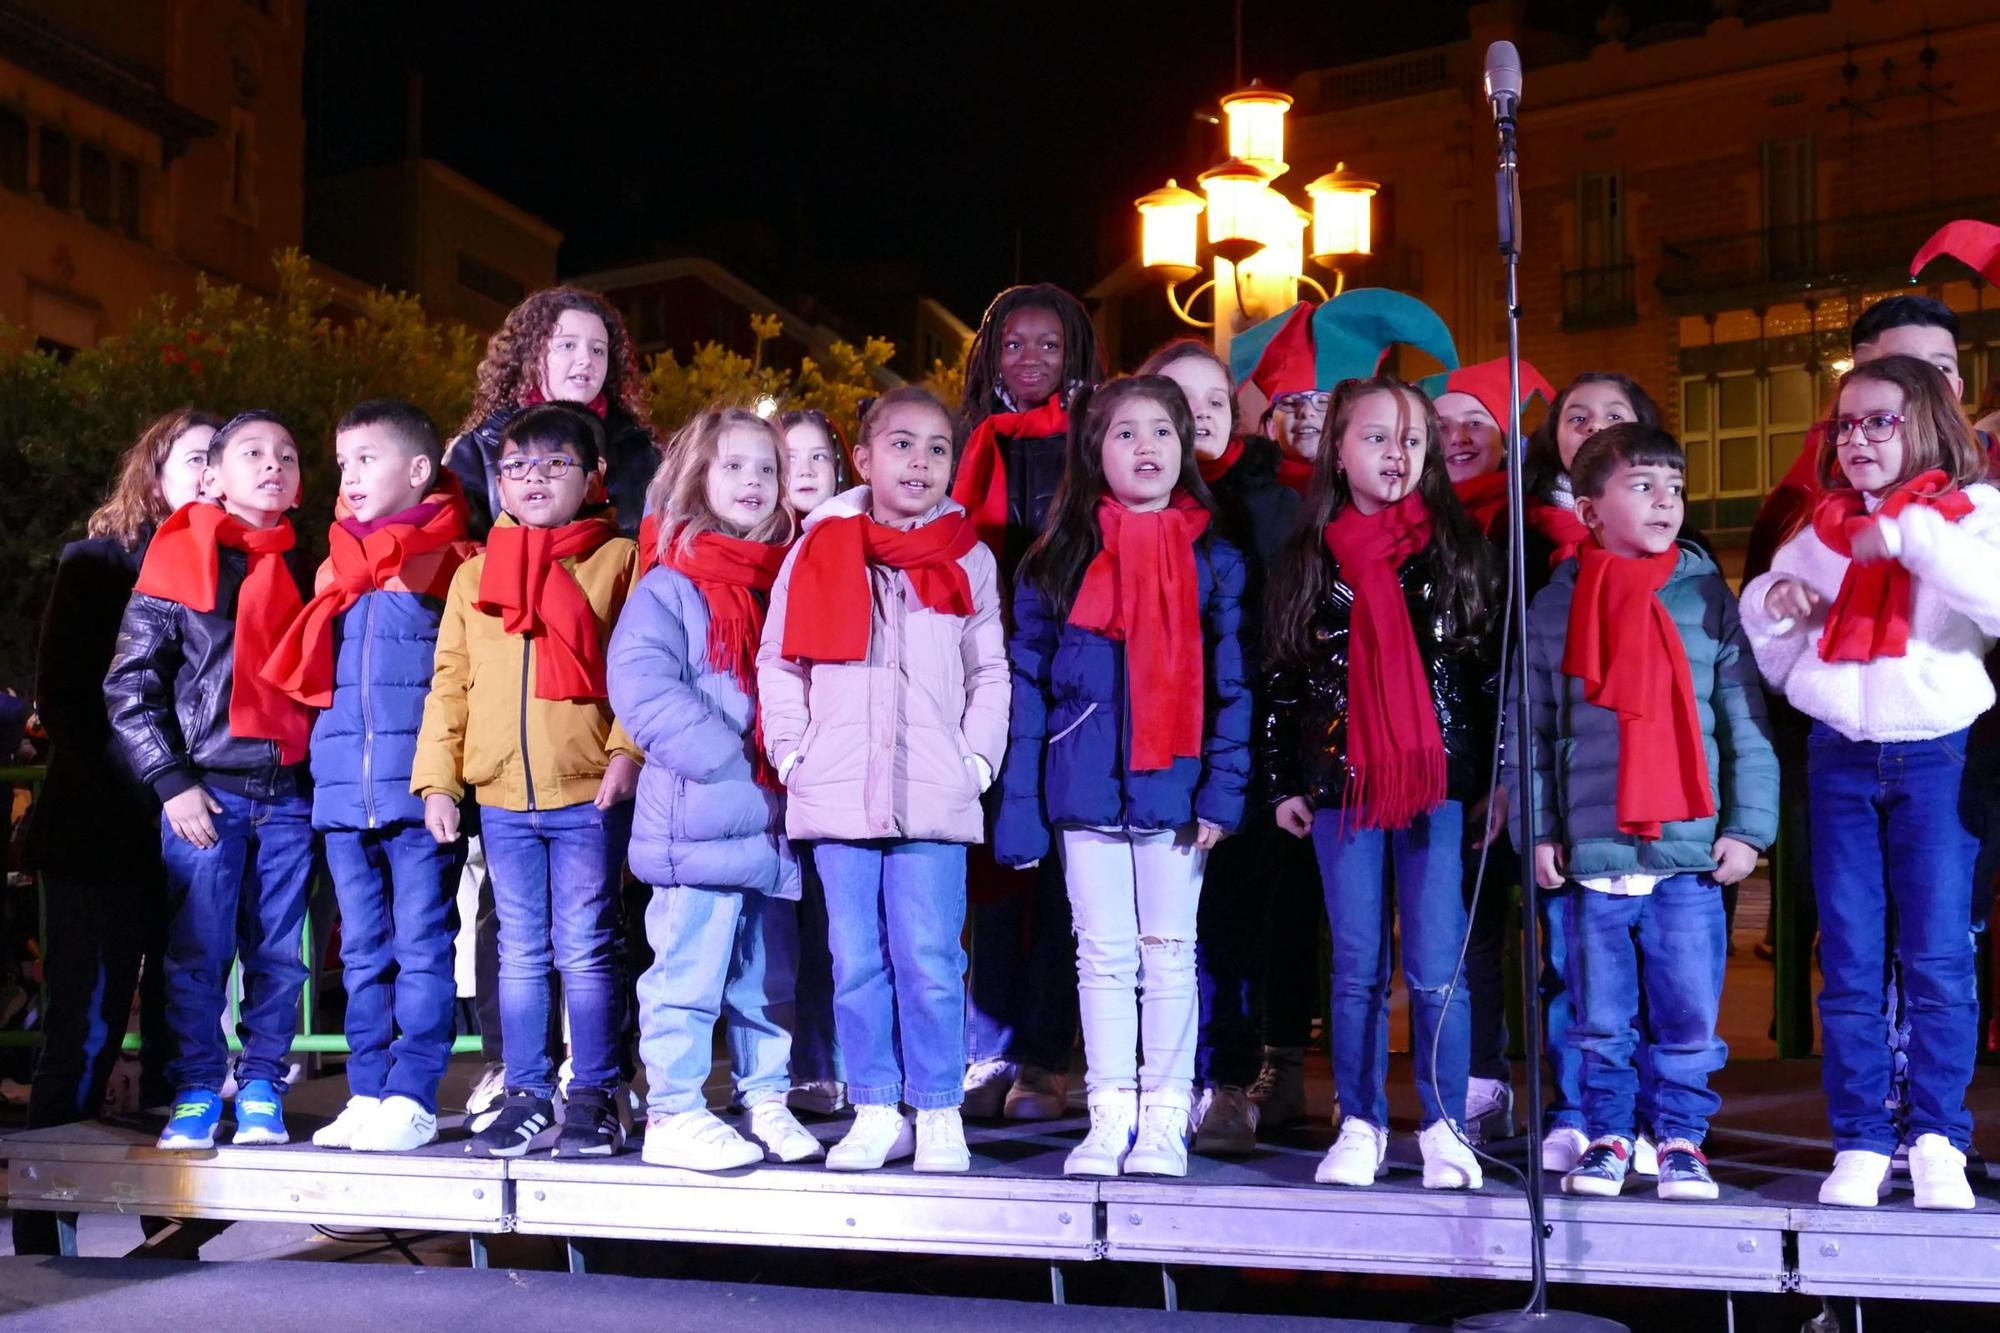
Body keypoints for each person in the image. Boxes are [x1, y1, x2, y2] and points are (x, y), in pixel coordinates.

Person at [1741, 355, 2000, 1211]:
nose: (1856, 438)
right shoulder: (1821, 528)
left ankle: (1936, 1137)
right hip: (1840, 752)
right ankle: (1858, 1135)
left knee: (1936, 956)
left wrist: (1913, 537)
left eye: (1878, 421)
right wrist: (1776, 609)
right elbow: (1776, 648)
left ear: (1924, 422)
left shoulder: (1977, 513)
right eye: (1845, 423)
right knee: (1848, 957)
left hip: (1933, 751)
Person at [1509, 425, 1777, 1202]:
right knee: (1599, 1015)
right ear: (1590, 511)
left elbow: (1743, 719)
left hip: (1689, 853)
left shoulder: (1704, 597)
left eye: (1674, 486)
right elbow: (1533, 729)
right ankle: (1608, 1133)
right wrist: (1541, 828)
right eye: (1642, 485)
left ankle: (1682, 1138)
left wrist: (1748, 827)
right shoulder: (1554, 607)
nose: (1666, 500)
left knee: (1689, 1010)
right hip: (1594, 849)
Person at [995, 376, 1250, 1178]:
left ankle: (1166, 1115)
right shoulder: (1057, 559)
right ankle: (1109, 1116)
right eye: (1125, 433)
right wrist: (1024, 809)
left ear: (1186, 448)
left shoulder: (1215, 558)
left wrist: (1222, 789)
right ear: (1093, 451)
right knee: (1101, 955)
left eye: (1163, 433)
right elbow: (1026, 689)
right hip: (1084, 786)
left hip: (1176, 788)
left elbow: (1232, 684)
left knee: (1170, 950)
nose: (1146, 448)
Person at [758, 386, 1009, 1172]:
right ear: (862, 459)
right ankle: (875, 1105)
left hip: (935, 793)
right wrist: (796, 754)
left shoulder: (967, 555)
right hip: (837, 790)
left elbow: (990, 671)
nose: (921, 461)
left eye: (939, 448)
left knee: (932, 957)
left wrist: (975, 762)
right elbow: (780, 660)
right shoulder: (821, 547)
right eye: (902, 444)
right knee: (856, 958)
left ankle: (937, 1109)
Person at [1260, 376, 1496, 1191]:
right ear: (1337, 448)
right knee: (1357, 965)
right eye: (1376, 437)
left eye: (1412, 441)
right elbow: (1284, 677)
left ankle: (1444, 1125)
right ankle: (1359, 1120)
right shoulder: (1310, 554)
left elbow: (1483, 675)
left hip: (1433, 784)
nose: (1396, 455)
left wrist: (1496, 778)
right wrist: (1284, 777)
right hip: (1344, 784)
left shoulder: (1456, 549)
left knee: (1437, 966)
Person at [414, 402, 643, 1159]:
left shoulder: (620, 559)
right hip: (503, 795)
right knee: (518, 949)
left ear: (594, 476)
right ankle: (526, 1090)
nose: (534, 478)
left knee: (585, 946)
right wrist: (438, 781)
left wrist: (626, 751)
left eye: (555, 464)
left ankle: (594, 1092)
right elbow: (450, 682)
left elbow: (643, 672)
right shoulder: (474, 573)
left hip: (586, 790)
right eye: (517, 466)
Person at [16, 409, 216, 1248]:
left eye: (221, 459)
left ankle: (172, 1229)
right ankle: (42, 1225)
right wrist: (158, 784)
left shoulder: (236, 561)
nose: (211, 474)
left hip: (195, 838)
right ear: (155, 468)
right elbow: (63, 696)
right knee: (84, 1028)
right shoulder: (98, 562)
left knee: (183, 1036)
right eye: (196, 458)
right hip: (101, 828)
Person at [262, 400, 477, 1152]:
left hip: (420, 798)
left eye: (367, 459)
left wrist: (446, 781)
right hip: (343, 799)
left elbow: (462, 685)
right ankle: (367, 1086)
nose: (349, 475)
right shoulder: (334, 564)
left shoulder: (453, 563)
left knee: (421, 943)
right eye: (344, 461)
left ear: (418, 470)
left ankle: (414, 1092)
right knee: (359, 951)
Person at [611, 407, 823, 1171]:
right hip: (703, 815)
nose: (753, 481)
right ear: (699, 476)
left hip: (771, 820)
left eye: (766, 468)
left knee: (768, 974)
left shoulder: (790, 579)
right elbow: (639, 682)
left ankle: (765, 1094)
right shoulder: (671, 584)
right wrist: (727, 760)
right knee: (688, 969)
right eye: (733, 466)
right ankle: (673, 1108)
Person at [105, 411, 315, 1151]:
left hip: (288, 789)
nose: (272, 466)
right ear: (215, 474)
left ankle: (261, 1082)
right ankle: (197, 1086)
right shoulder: (177, 559)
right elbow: (129, 687)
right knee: (197, 951)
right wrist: (170, 780)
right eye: (252, 453)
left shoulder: (312, 557)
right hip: (206, 793)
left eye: (286, 455)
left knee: (281, 952)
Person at [1138, 338, 1311, 1153]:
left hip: (1241, 745)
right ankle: (1148, 1085)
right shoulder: (1120, 503)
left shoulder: (1274, 506)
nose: (1201, 413)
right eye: (1182, 398)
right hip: (1148, 751)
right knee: (1155, 934)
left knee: (1238, 926)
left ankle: (1230, 1082)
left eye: (1215, 398)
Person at [951, 284, 1103, 1123]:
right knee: (994, 871)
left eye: (1050, 345)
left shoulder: (1100, 438)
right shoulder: (969, 439)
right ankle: (989, 1048)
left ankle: (1046, 1060)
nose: (1032, 360)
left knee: (1063, 880)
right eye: (1015, 345)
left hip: (1075, 676)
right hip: (983, 671)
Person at [1510, 368, 1667, 1175]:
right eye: (1577, 417)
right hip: (1573, 797)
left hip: (1657, 800)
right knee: (1573, 964)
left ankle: (1656, 1121)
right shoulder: (1529, 553)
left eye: (1616, 414)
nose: (1595, 426)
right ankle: (1579, 1109)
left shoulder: (1678, 558)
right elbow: (1524, 697)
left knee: (1660, 973)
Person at [1425, 356, 1553, 1148]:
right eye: (1443, 428)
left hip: (1525, 751)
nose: (1461, 438)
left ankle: (1576, 1104)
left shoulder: (1528, 523)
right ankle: (1480, 1083)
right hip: (1450, 753)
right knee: (1467, 934)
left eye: (1477, 423)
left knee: (1548, 935)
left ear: (1505, 437)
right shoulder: (1420, 521)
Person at [776, 405, 851, 1115]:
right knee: (778, 930)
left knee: (835, 927)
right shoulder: (752, 549)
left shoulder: (858, 545)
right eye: (787, 456)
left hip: (839, 769)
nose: (804, 470)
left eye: (818, 457)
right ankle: (788, 1070)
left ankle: (837, 1066)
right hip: (766, 770)